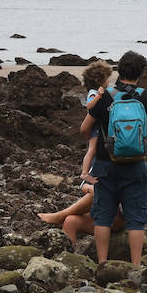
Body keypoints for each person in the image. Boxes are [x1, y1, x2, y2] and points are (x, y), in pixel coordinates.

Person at [79, 51, 147, 266]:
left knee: (103, 217)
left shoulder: (105, 96)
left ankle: (103, 264)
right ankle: (136, 267)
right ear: (140, 72)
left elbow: (85, 127)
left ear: (118, 71)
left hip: (105, 164)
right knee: (136, 220)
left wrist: (95, 140)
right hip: (135, 164)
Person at [38, 60, 119, 247]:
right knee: (71, 221)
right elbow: (86, 125)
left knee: (96, 192)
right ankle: (72, 262)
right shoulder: (105, 98)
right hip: (106, 209)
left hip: (118, 217)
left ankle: (60, 214)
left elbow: (84, 128)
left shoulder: (122, 160)